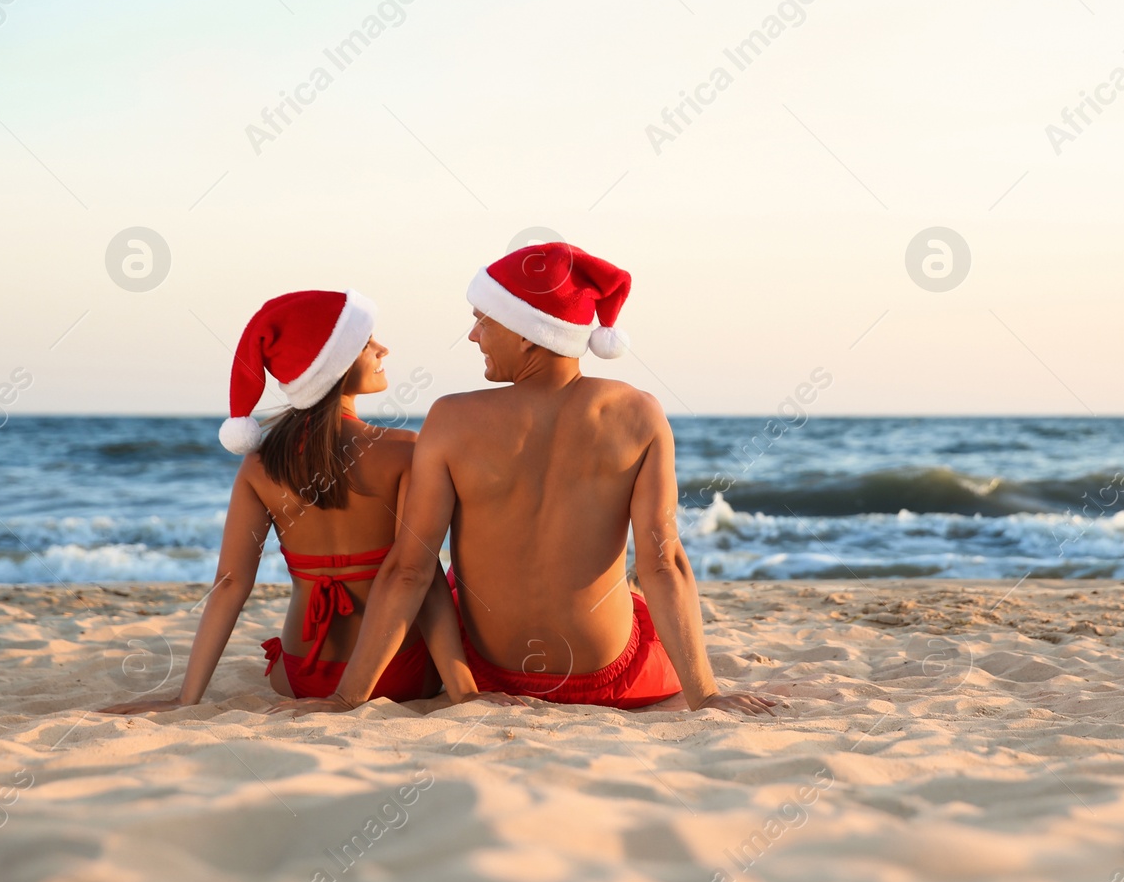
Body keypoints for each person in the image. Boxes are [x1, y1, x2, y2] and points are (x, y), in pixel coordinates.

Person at [276, 244, 775, 716]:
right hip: (608, 680)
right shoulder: (640, 414)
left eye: (481, 320)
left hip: (489, 675)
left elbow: (409, 571)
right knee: (635, 598)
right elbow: (663, 563)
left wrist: (346, 699)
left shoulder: (450, 419)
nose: (473, 336)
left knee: (444, 590)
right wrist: (706, 696)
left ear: (525, 332)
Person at [100, 290, 501, 715]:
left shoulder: (259, 463)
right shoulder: (402, 450)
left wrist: (185, 699)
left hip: (298, 675)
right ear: (335, 365)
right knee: (447, 577)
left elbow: (231, 583)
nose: (384, 349)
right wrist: (464, 695)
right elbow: (415, 578)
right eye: (367, 343)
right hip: (398, 674)